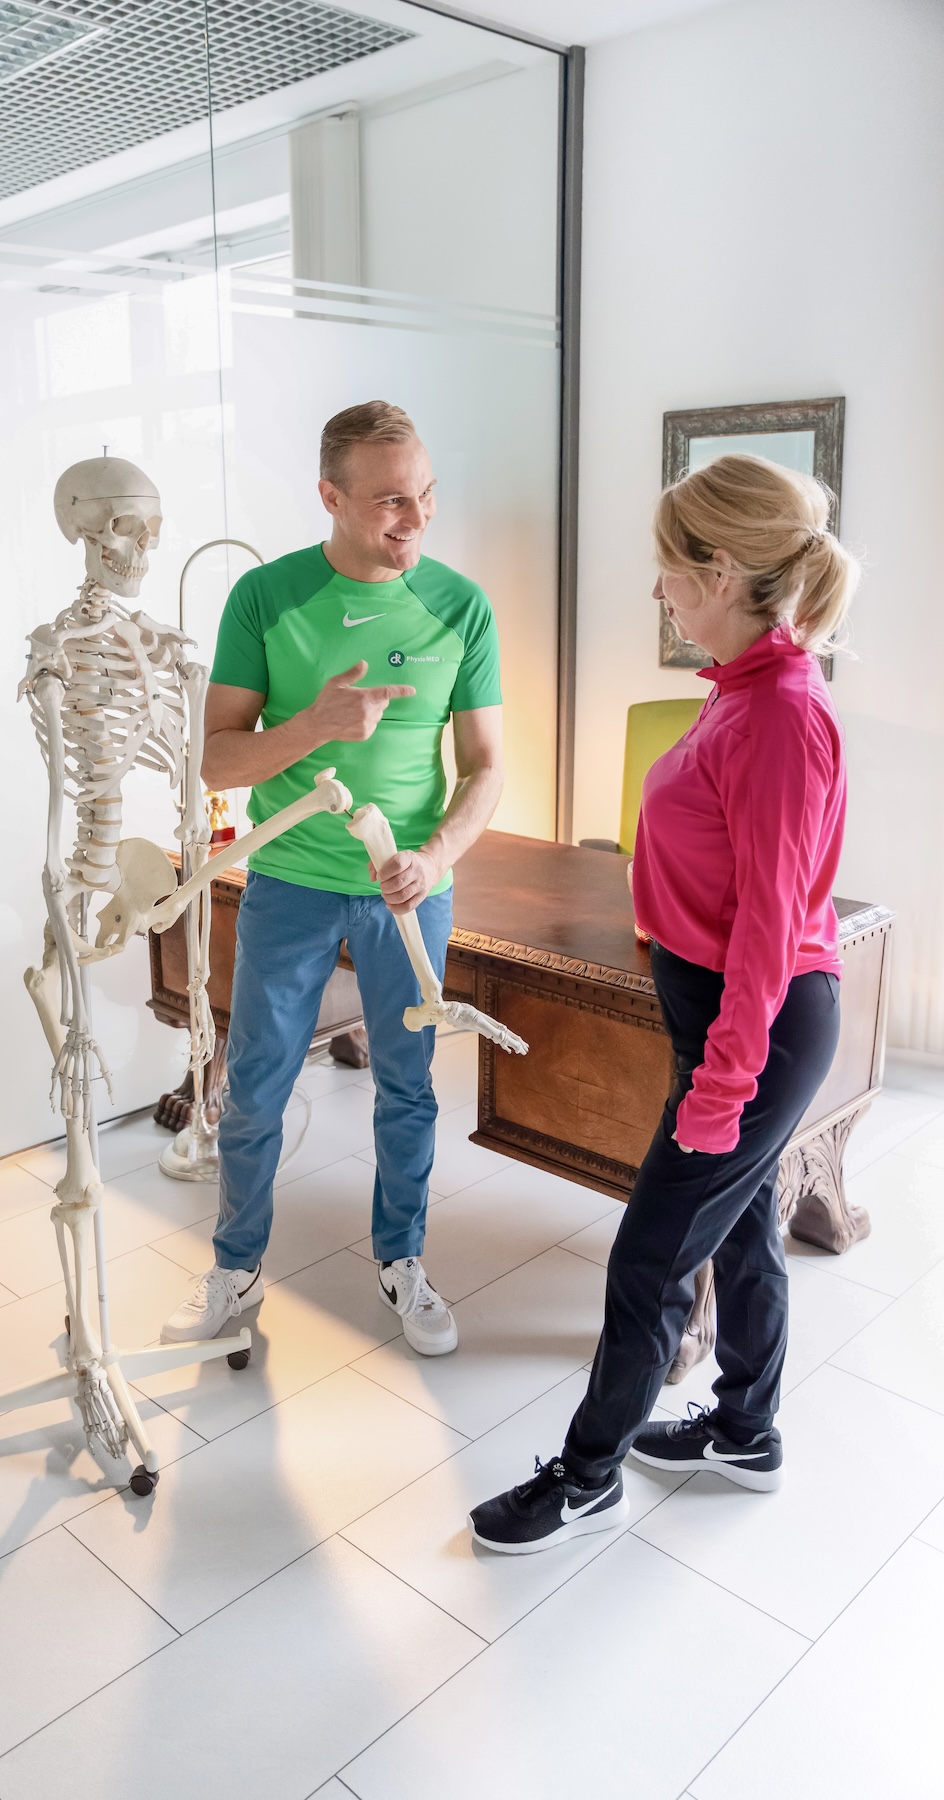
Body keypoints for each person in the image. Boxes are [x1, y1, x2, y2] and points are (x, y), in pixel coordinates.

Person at [470, 453, 858, 1553]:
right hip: (731, 1014)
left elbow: (773, 924)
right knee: (741, 1231)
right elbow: (725, 856)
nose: (657, 589)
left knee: (651, 1257)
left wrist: (723, 1089)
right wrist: (664, 913)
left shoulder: (780, 712)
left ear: (721, 572)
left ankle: (588, 1476)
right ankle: (745, 1432)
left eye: (668, 570)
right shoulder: (744, 688)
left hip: (760, 1029)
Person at [160, 400, 503, 1356]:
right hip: (290, 880)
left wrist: (436, 858)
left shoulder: (461, 606)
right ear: (331, 497)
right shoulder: (264, 599)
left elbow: (485, 768)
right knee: (255, 1088)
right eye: (391, 500)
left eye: (426, 495)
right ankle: (235, 1271)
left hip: (409, 890)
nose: (416, 518)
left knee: (408, 1088)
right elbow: (216, 760)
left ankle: (402, 1261)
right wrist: (314, 725)